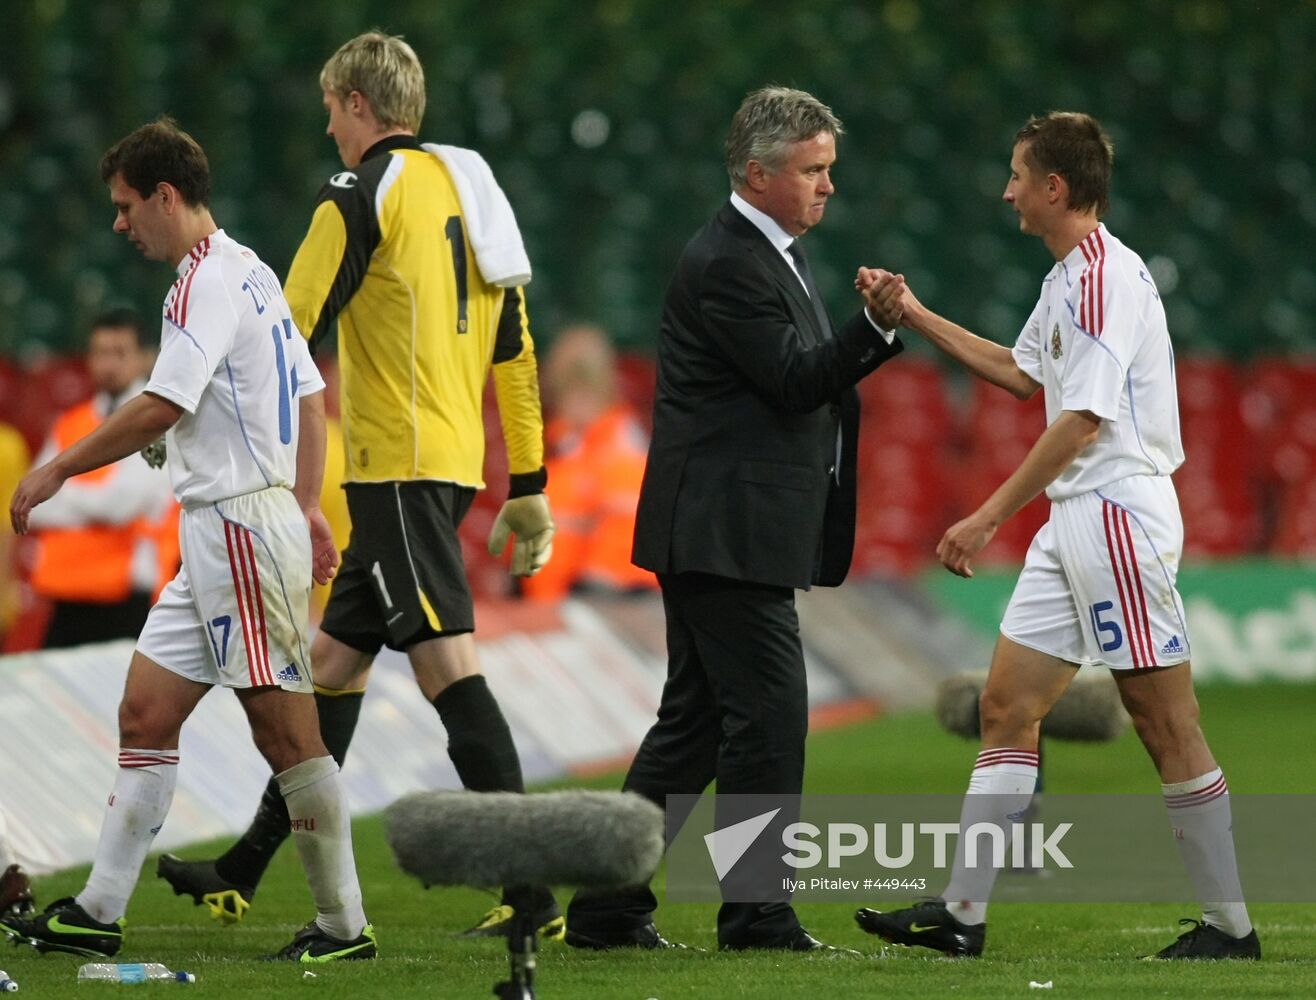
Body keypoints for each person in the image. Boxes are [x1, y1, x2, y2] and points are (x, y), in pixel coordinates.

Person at [155, 31, 560, 940]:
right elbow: (516, 349)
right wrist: (528, 478)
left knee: (449, 665)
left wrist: (188, 408)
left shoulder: (356, 190)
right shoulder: (475, 192)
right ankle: (244, 868)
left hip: (395, 468)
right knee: (333, 666)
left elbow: (283, 319)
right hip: (450, 463)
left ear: (359, 107)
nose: (330, 126)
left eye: (333, 108)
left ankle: (533, 894)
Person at [853, 112, 1258, 961]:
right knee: (1006, 707)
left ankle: (1231, 929)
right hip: (1075, 522)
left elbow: (1079, 420)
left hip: (1115, 514)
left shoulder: (1108, 279)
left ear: (1055, 188)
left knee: (1164, 724)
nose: (1006, 192)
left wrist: (988, 514)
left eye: (1016, 176)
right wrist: (917, 315)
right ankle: (961, 916)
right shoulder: (1067, 279)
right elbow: (1020, 372)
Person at [2, 117, 375, 962]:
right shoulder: (251, 270)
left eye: (128, 205)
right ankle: (97, 913)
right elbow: (309, 394)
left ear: (166, 196)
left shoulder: (203, 281)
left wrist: (59, 469)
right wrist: (308, 504)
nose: (119, 223)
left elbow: (163, 406)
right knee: (145, 710)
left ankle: (344, 928)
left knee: (288, 738)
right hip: (224, 530)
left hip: (239, 527)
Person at [563, 86, 905, 953]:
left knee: (700, 724)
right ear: (758, 173)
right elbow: (793, 382)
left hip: (727, 525)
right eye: (811, 170)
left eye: (830, 169)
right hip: (723, 529)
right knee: (769, 716)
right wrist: (870, 329)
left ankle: (607, 906)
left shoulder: (766, 253)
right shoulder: (729, 261)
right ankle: (755, 914)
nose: (828, 186)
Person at [27, 309, 179, 647]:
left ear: (145, 359)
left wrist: (63, 490)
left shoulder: (156, 422)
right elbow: (32, 505)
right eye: (100, 353)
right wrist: (94, 499)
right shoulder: (71, 422)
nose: (108, 364)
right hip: (67, 592)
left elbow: (122, 503)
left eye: (119, 353)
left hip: (128, 598)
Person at [522, 323, 657, 601]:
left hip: (608, 604)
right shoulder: (565, 448)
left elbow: (623, 553)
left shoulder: (620, 450)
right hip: (554, 606)